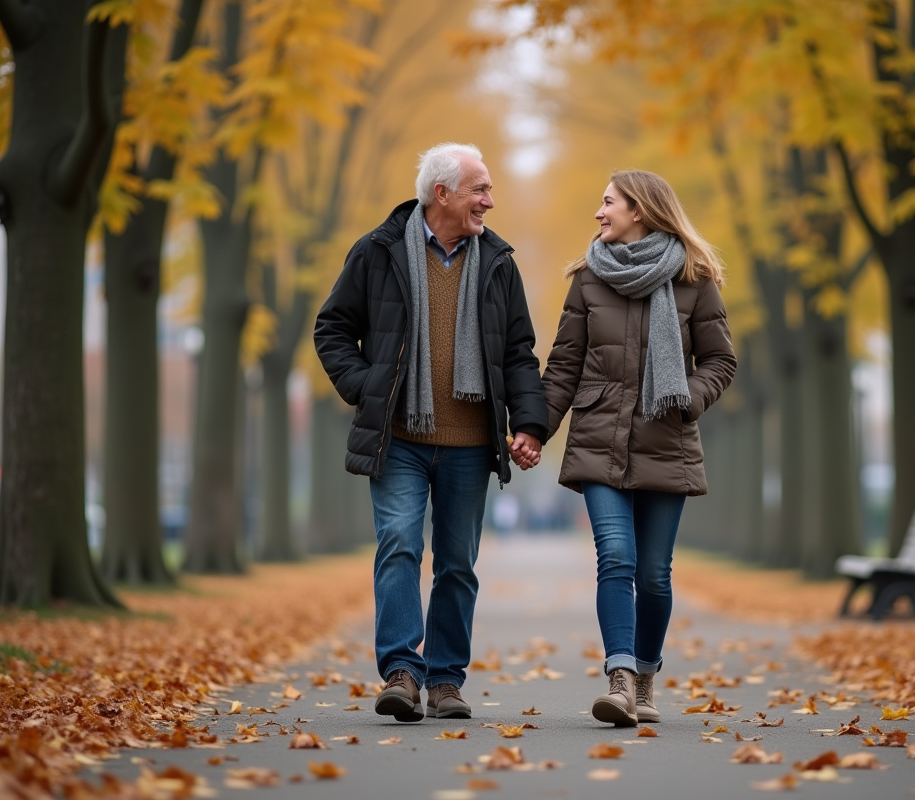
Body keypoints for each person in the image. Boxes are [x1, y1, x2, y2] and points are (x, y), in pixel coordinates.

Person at [314, 143, 547, 723]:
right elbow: (332, 329)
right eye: (480, 189)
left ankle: (445, 680)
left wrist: (531, 423)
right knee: (399, 543)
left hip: (470, 443)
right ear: (441, 193)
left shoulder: (498, 262)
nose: (489, 201)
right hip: (399, 437)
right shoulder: (377, 251)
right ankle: (400, 671)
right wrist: (367, 386)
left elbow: (519, 353)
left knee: (457, 563)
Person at [541, 170, 736, 727]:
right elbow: (564, 366)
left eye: (608, 203)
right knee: (616, 558)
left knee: (653, 574)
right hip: (600, 437)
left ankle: (646, 672)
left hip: (665, 440)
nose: (599, 213)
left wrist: (687, 396)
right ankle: (620, 679)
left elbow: (721, 361)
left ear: (640, 212)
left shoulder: (694, 280)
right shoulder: (586, 279)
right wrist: (535, 431)